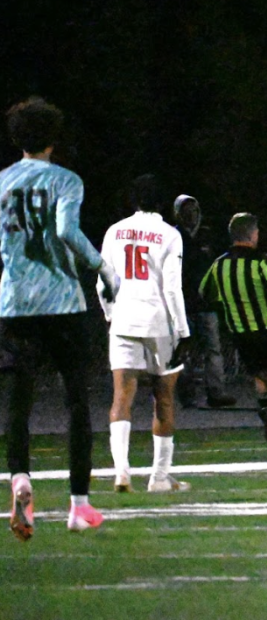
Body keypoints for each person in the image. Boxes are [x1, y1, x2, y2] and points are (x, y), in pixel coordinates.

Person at [2, 96, 116, 538]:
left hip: (15, 303)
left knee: (18, 400)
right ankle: (79, 505)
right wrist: (102, 267)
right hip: (62, 301)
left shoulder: (2, 182)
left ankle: (20, 480)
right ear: (53, 138)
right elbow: (67, 231)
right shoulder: (65, 180)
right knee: (76, 400)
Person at [98, 174, 191, 493]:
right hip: (159, 322)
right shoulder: (169, 234)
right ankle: (159, 478)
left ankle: (122, 473)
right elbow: (171, 287)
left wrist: (112, 316)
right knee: (163, 399)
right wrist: (184, 331)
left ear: (133, 200)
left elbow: (103, 283)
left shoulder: (114, 232)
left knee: (121, 397)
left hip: (124, 318)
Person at [200, 213, 267, 444]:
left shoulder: (219, 265)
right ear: (252, 234)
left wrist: (226, 305)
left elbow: (204, 292)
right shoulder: (262, 263)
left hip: (240, 334)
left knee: (262, 376)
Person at [173, 194, 236, 409]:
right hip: (182, 303)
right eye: (186, 211)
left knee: (213, 349)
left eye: (194, 210)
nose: (191, 215)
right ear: (178, 213)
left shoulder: (207, 236)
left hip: (207, 303)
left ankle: (216, 393)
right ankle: (187, 394)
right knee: (183, 350)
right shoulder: (173, 237)